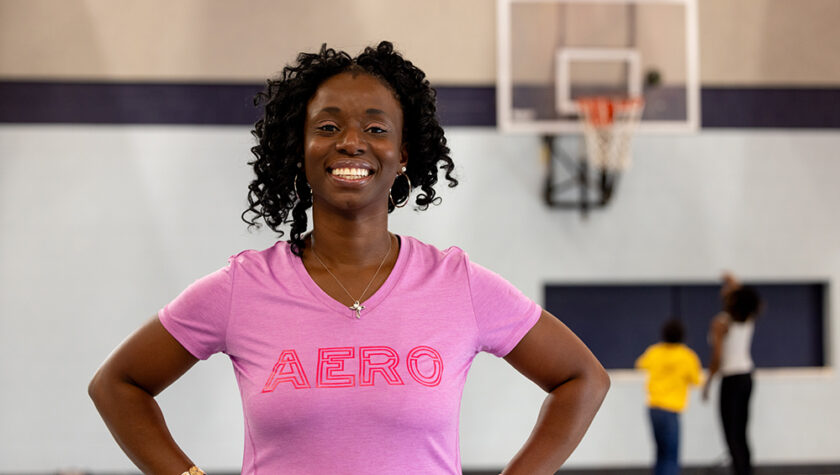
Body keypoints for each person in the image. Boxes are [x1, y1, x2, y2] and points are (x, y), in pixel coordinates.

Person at [88, 41, 610, 475]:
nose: (352, 143)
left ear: (404, 155)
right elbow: (118, 385)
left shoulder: (458, 284)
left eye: (377, 129)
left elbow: (582, 378)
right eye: (329, 127)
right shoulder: (243, 287)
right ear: (299, 149)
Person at [702, 273, 762, 475]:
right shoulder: (748, 318)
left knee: (731, 435)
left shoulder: (721, 323)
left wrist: (708, 382)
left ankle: (740, 471)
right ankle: (745, 471)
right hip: (747, 377)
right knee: (742, 433)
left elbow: (717, 357)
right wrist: (731, 279)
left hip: (731, 380)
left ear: (732, 299)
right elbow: (744, 294)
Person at [635, 319, 702, 475]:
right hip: (671, 409)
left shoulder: (655, 351)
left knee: (660, 453)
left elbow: (640, 364)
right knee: (671, 455)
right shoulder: (687, 356)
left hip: (654, 408)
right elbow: (696, 380)